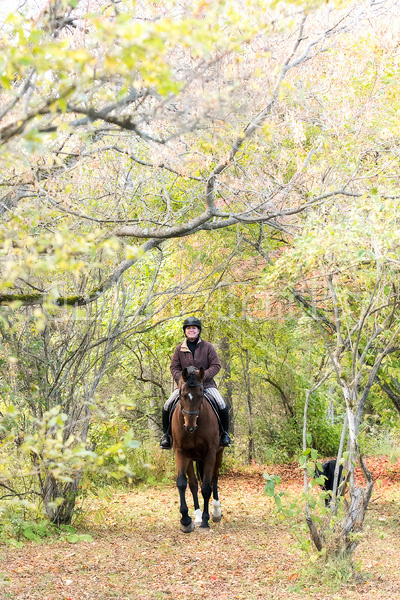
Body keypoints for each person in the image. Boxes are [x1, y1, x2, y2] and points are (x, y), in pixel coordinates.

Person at [160, 317, 231, 449]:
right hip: (185, 387)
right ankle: (166, 436)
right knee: (167, 405)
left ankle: (224, 434)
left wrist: (202, 377)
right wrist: (182, 380)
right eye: (188, 328)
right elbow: (174, 368)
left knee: (222, 404)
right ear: (185, 331)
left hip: (206, 385)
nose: (191, 330)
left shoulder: (208, 347)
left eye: (194, 328)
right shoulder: (179, 349)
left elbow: (216, 365)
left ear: (198, 330)